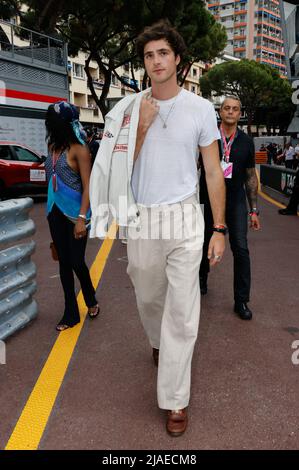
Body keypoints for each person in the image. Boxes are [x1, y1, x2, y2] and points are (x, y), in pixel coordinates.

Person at [89, 20, 226, 437]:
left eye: (163, 53)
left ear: (178, 58)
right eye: (149, 55)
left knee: (183, 313)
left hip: (186, 217)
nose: (156, 61)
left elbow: (213, 171)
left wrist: (218, 227)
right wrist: (143, 125)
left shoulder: (201, 109)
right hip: (143, 218)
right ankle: (157, 341)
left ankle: (175, 400)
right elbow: (113, 168)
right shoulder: (127, 109)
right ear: (144, 63)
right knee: (148, 297)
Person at [199, 96, 261, 320]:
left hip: (235, 201)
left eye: (235, 109)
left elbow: (250, 177)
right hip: (207, 199)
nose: (231, 112)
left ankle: (241, 300)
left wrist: (253, 210)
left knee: (241, 249)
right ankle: (202, 278)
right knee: (203, 243)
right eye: (227, 108)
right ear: (220, 111)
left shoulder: (246, 141)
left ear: (240, 113)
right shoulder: (208, 138)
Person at [45, 101, 100, 331]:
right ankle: (70, 312)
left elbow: (88, 186)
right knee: (64, 264)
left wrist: (81, 219)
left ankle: (91, 299)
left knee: (77, 262)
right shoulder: (52, 148)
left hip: (76, 215)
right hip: (54, 212)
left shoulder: (79, 149)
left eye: (52, 121)